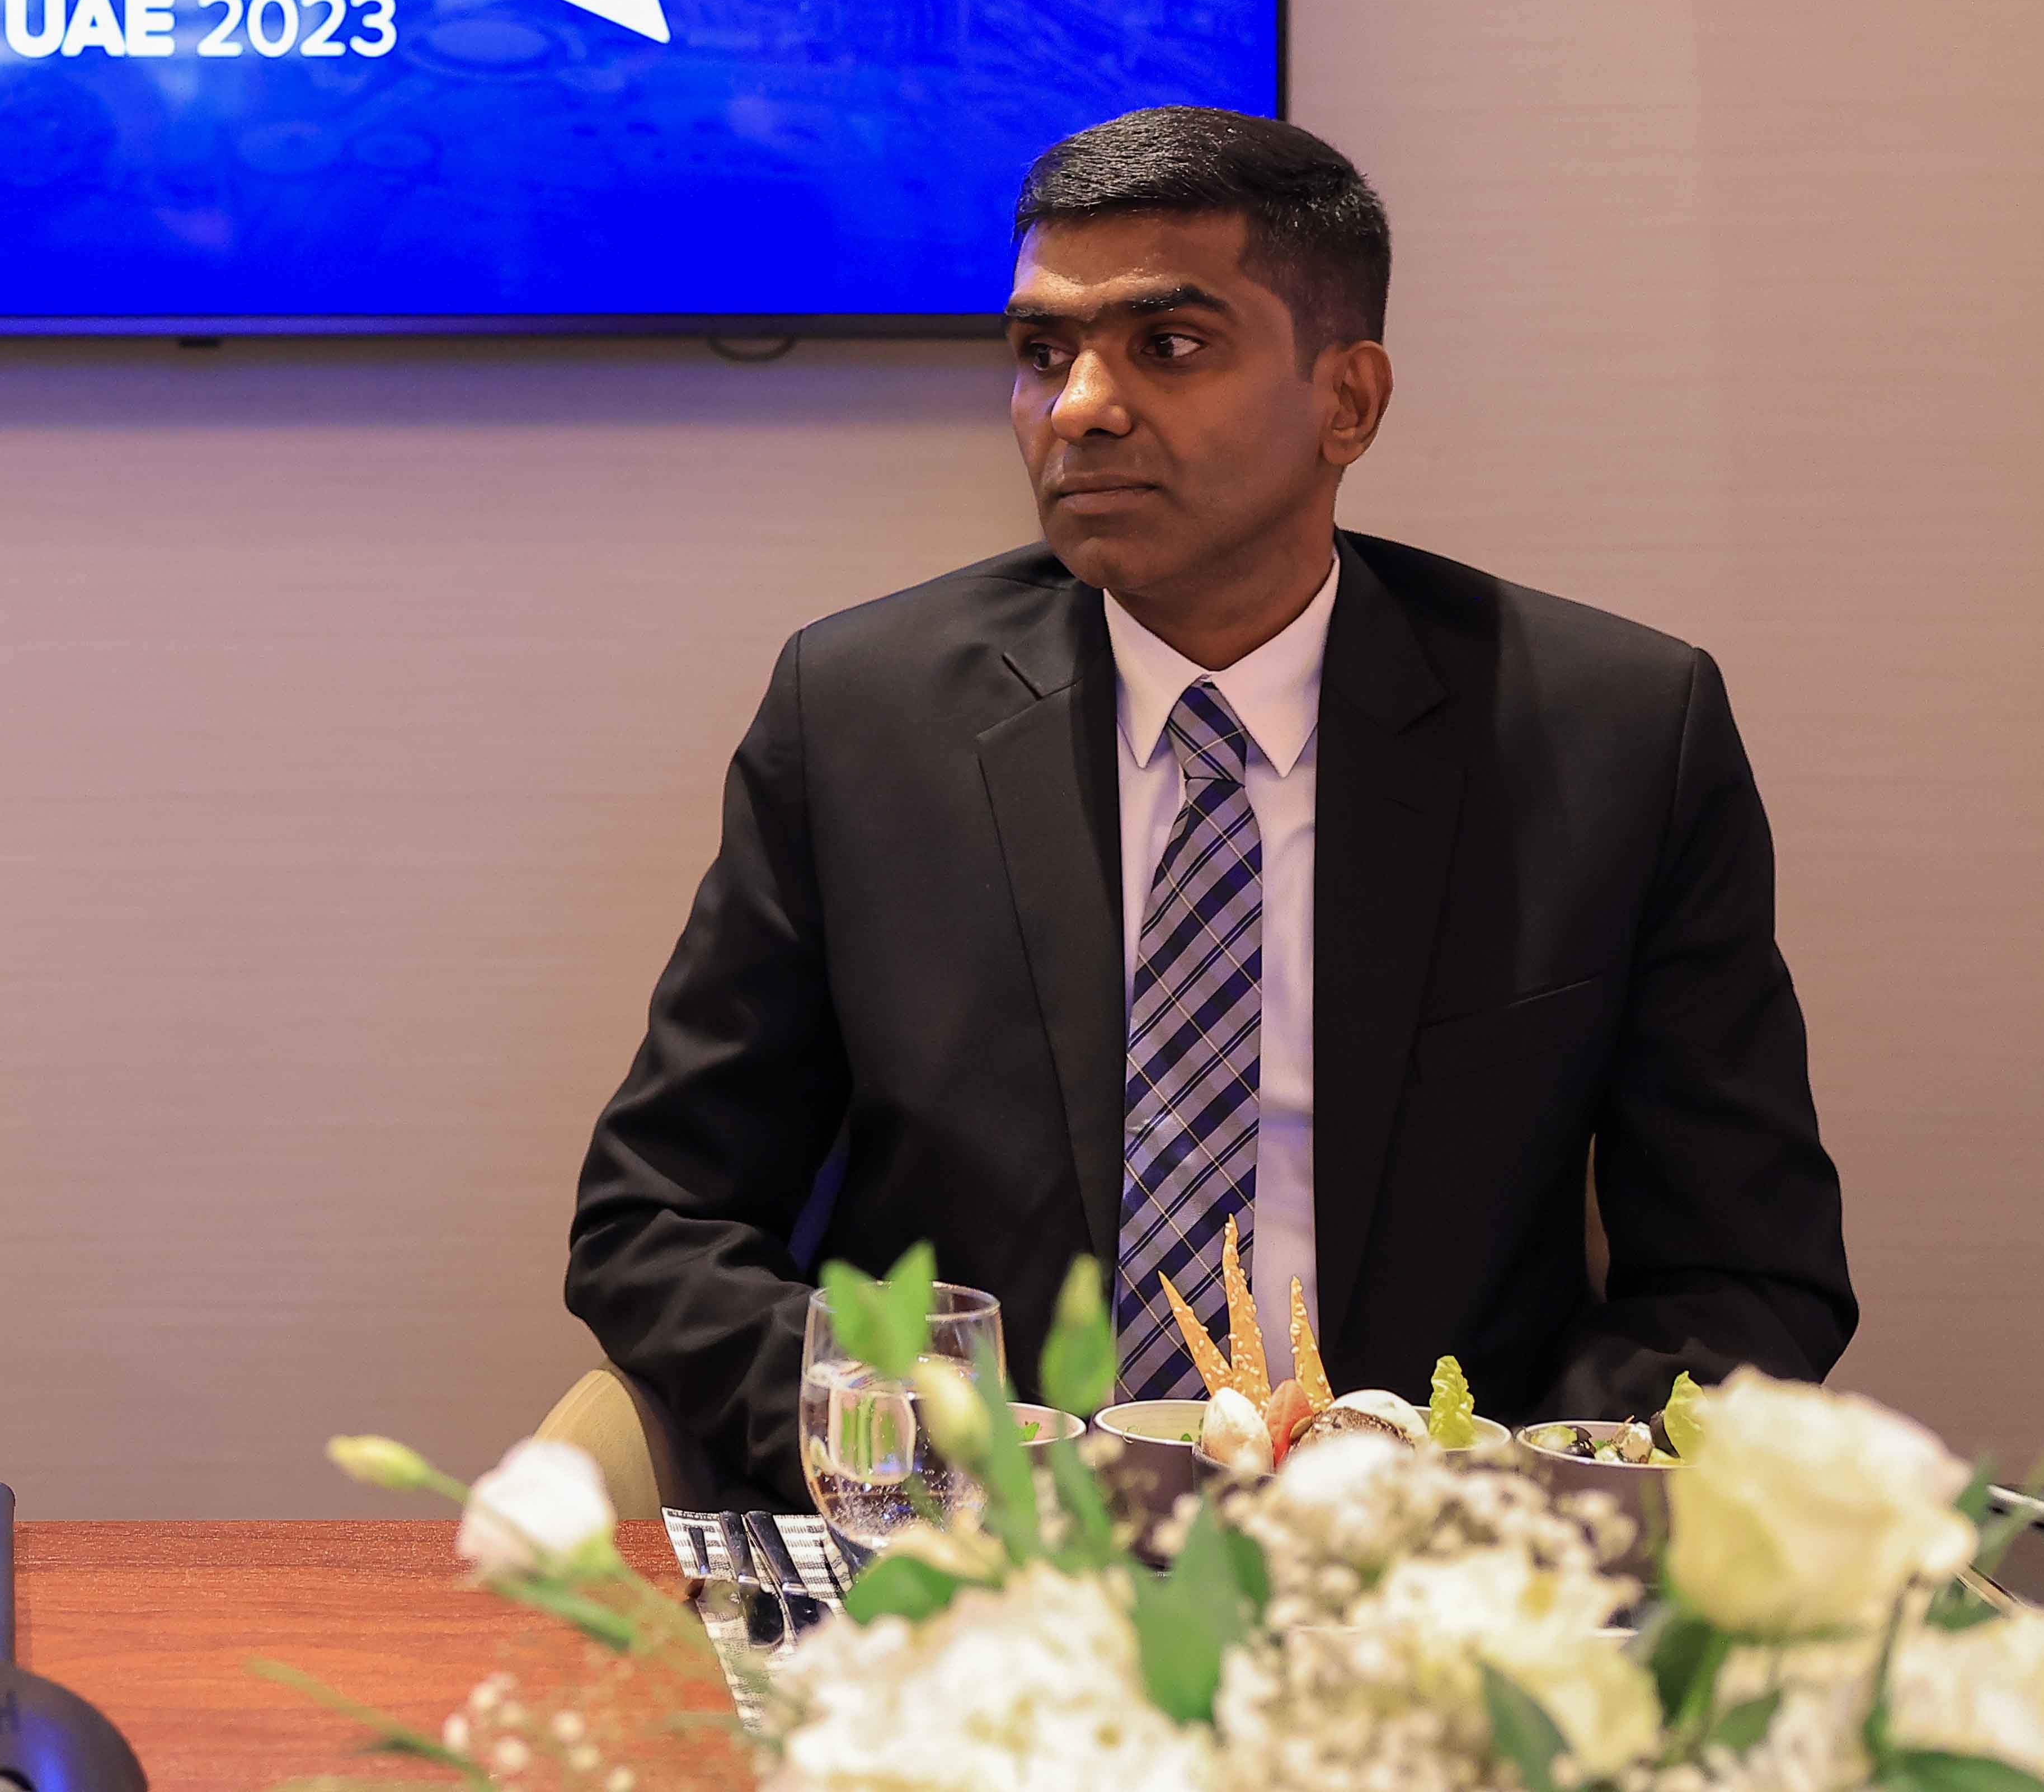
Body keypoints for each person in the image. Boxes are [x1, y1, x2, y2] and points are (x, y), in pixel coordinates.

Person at [567, 107, 1849, 1504]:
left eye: (1168, 345)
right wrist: (920, 1445)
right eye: (1042, 351)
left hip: (1429, 1557)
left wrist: (1486, 1510)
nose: (1079, 406)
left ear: (1347, 400)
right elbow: (658, 1220)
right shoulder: (867, 718)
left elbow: (1744, 1276)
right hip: (978, 1545)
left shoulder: (1611, 736)